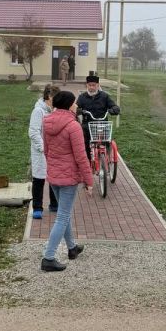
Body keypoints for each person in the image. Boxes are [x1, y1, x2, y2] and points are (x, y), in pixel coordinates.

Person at [40, 90, 93, 271]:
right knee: (62, 216)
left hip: (54, 176)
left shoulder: (46, 122)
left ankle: (72, 248)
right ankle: (48, 257)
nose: (77, 105)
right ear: (70, 104)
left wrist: (54, 169)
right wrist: (89, 181)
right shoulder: (73, 126)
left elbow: (46, 151)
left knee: (64, 212)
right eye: (75, 102)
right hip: (69, 178)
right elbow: (81, 157)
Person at [28, 83, 60, 219]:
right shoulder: (38, 111)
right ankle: (37, 207)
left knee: (54, 178)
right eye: (55, 97)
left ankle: (54, 204)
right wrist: (43, 148)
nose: (57, 100)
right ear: (48, 96)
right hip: (40, 151)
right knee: (39, 179)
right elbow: (33, 132)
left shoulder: (55, 110)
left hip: (53, 150)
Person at [75, 74, 120, 160]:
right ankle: (87, 162)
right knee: (85, 143)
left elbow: (113, 106)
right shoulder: (82, 97)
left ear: (98, 85)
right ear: (86, 85)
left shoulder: (104, 96)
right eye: (89, 85)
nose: (91, 87)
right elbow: (76, 107)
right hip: (87, 124)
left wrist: (114, 109)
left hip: (102, 123)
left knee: (106, 141)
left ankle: (106, 157)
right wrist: (78, 111)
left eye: (94, 85)